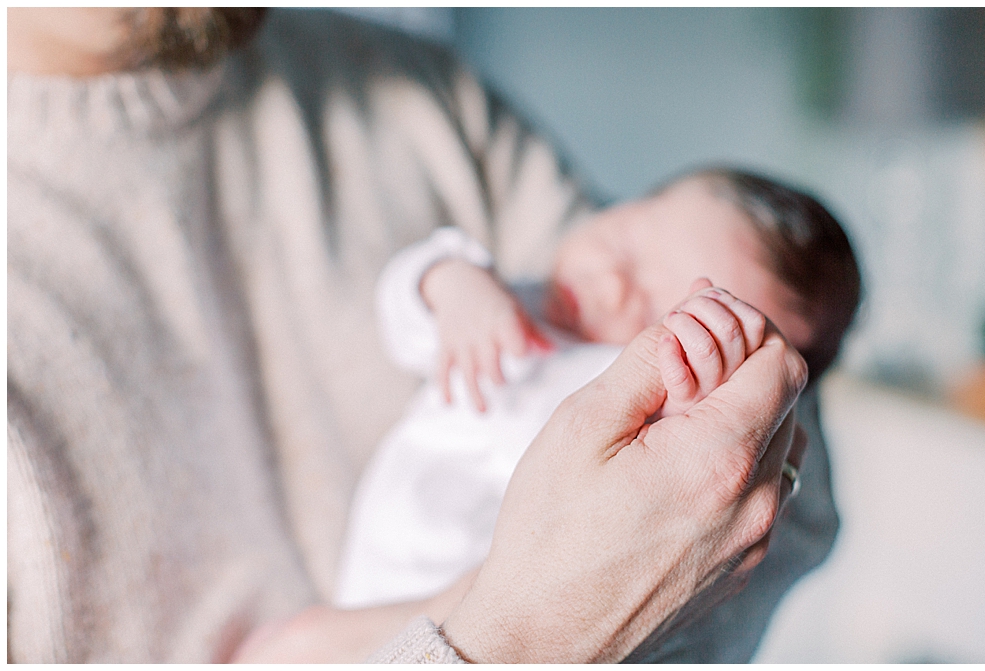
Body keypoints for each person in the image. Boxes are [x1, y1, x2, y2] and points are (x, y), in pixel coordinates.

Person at [8, 7, 809, 663]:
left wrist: (446, 614)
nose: (609, 285)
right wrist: (521, 628)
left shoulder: (424, 98)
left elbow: (784, 468)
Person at [335, 169, 860, 611]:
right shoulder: (515, 300)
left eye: (660, 313)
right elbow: (403, 320)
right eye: (626, 241)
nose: (608, 283)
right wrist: (449, 283)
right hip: (374, 572)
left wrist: (686, 402)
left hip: (489, 608)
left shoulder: (632, 386)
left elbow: (667, 487)